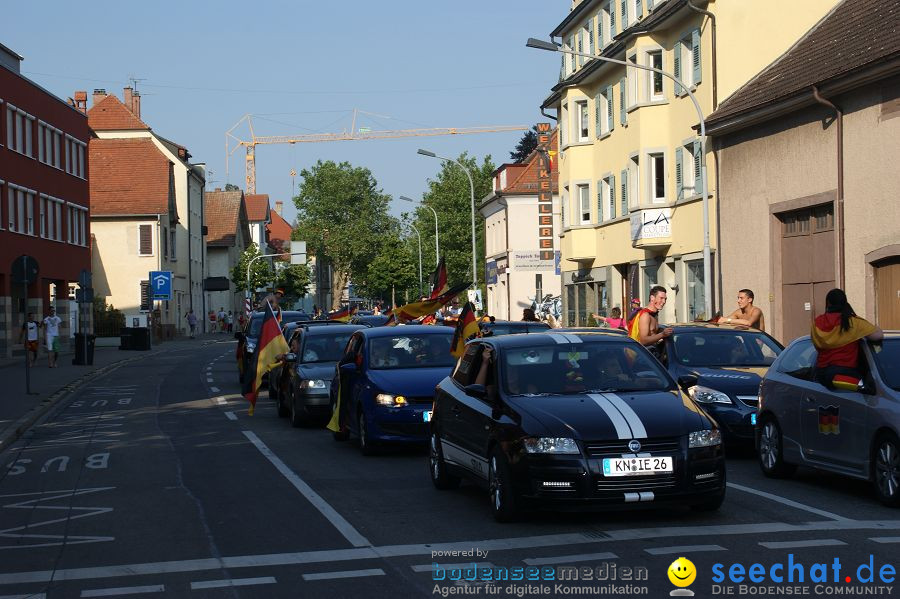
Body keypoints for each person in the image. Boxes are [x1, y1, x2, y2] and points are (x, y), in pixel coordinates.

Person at [811, 288, 883, 390]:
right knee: (868, 390)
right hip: (845, 376)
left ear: (828, 303)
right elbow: (878, 336)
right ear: (845, 302)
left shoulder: (817, 322)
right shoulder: (853, 323)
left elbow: (817, 345)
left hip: (821, 375)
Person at [630, 286, 673, 353]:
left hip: (651, 354)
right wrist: (662, 334)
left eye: (665, 299)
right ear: (652, 298)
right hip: (642, 357)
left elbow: (652, 333)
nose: (664, 301)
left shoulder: (654, 314)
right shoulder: (645, 315)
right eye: (661, 298)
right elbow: (643, 340)